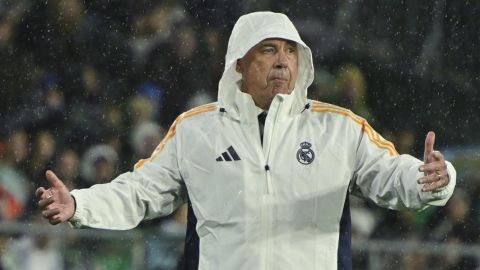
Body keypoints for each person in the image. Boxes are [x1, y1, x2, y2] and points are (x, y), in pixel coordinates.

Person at [36, 11, 456, 270]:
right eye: (268, 50)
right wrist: (81, 205)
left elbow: (391, 173)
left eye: (290, 51)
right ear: (238, 63)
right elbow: (141, 190)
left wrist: (432, 180)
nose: (282, 60)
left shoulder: (339, 128)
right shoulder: (195, 130)